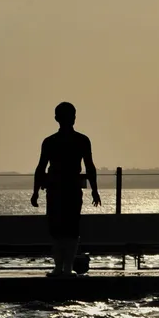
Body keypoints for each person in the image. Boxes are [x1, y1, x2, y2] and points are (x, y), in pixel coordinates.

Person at [30, 102, 101, 277]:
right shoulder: (80, 140)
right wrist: (94, 189)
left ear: (56, 118)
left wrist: (36, 191)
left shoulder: (51, 141)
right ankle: (64, 267)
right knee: (67, 228)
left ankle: (62, 267)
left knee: (61, 228)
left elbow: (41, 168)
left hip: (59, 188)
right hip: (66, 188)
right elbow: (90, 167)